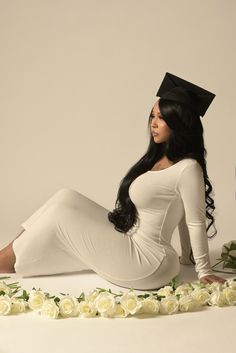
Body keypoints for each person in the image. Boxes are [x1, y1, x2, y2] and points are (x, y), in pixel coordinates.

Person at [0, 72, 226, 290]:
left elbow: (193, 221)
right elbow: (181, 214)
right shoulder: (160, 160)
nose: (153, 124)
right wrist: (186, 258)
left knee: (61, 213)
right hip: (132, 242)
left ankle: (6, 259)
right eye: (152, 116)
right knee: (66, 197)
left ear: (179, 124)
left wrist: (203, 270)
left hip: (149, 262)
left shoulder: (188, 168)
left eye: (162, 118)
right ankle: (8, 255)